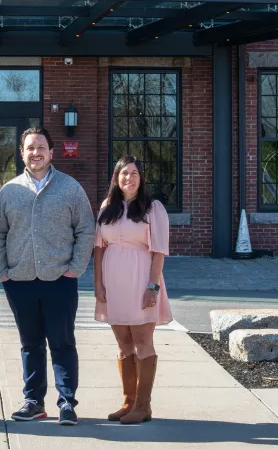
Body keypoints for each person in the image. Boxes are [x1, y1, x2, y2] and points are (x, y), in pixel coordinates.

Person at [0, 127, 94, 427]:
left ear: (51, 152)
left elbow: (86, 229)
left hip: (60, 279)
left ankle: (66, 403)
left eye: (40, 147)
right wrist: (2, 272)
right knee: (30, 343)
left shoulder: (70, 188)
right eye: (29, 147)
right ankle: (34, 402)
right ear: (22, 153)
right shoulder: (10, 191)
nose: (35, 152)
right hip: (19, 281)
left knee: (62, 342)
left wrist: (75, 268)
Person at [94, 155, 172, 425]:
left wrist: (153, 285)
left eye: (134, 173)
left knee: (142, 341)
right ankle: (128, 402)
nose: (129, 178)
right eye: (124, 173)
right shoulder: (107, 207)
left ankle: (143, 405)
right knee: (123, 343)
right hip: (113, 283)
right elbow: (99, 248)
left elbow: (159, 251)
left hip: (141, 281)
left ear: (142, 178)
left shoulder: (152, 208)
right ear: (116, 178)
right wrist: (98, 284)